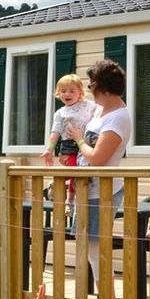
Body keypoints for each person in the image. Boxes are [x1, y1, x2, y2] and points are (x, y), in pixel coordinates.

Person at [66, 59, 130, 299]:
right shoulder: (102, 112)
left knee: (97, 251)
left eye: (92, 84)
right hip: (88, 190)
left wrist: (79, 140)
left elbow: (98, 158)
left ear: (103, 87)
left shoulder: (119, 118)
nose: (90, 89)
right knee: (93, 252)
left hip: (101, 192)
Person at [40, 73, 97, 214]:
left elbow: (101, 111)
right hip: (68, 145)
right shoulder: (60, 113)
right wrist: (49, 149)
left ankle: (63, 186)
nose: (67, 94)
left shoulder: (89, 105)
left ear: (80, 92)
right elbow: (55, 132)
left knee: (83, 171)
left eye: (72, 91)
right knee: (75, 171)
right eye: (63, 91)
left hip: (85, 142)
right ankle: (70, 199)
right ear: (58, 93)